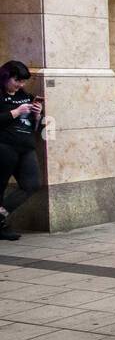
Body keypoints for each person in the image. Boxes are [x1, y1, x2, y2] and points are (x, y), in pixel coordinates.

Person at [0, 60, 45, 241]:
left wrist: (37, 113)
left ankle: (1, 214)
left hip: (26, 147)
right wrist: (16, 112)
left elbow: (36, 125)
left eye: (23, 81)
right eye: (16, 80)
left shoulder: (24, 95)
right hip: (4, 146)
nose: (20, 84)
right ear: (5, 77)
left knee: (32, 184)